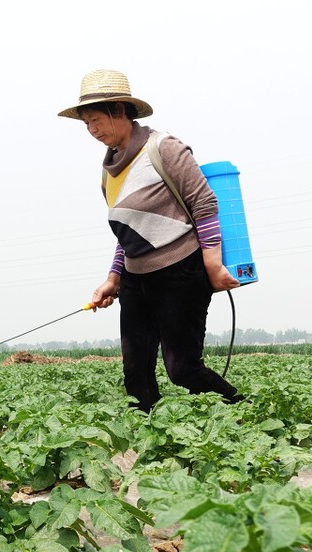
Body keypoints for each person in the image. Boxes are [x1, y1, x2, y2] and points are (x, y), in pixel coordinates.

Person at [60, 69, 243, 412]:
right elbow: (127, 229)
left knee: (182, 369)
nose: (92, 130)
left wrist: (213, 264)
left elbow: (204, 204)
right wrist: (114, 277)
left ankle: (244, 409)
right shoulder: (109, 169)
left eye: (96, 120)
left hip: (180, 271)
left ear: (120, 111)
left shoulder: (163, 148)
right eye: (86, 124)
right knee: (136, 377)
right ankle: (153, 452)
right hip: (135, 279)